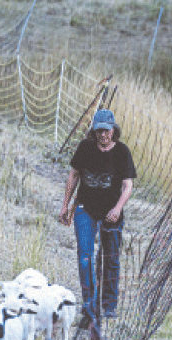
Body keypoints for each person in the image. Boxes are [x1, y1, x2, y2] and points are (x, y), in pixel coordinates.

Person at [59, 109, 137, 324]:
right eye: (99, 131)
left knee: (110, 257)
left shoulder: (122, 152)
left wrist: (118, 208)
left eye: (106, 131)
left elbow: (128, 186)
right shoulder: (85, 148)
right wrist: (66, 206)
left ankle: (109, 305)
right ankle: (89, 306)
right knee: (85, 255)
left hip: (111, 212)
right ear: (93, 131)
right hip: (86, 208)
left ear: (114, 130)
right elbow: (74, 175)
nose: (103, 135)